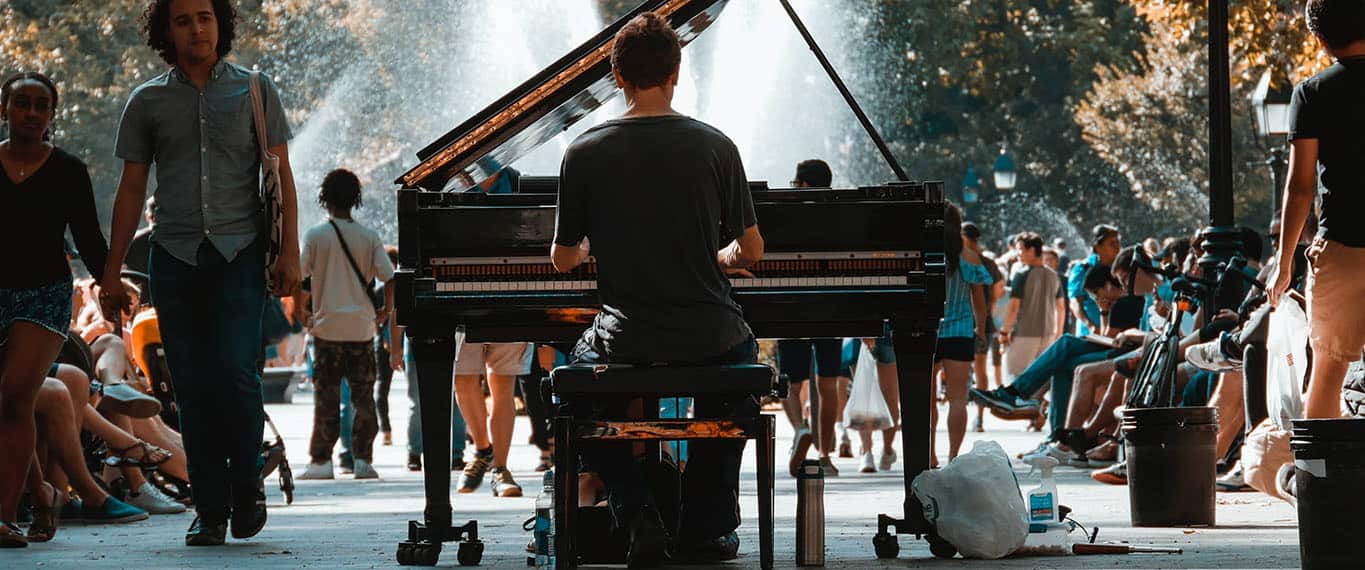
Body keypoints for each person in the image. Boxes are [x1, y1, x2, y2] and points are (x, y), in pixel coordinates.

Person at [550, 12, 765, 567]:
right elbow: (753, 251)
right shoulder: (716, 146)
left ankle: (637, 510)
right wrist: (721, 256)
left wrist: (596, 250)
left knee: (574, 389)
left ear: (617, 77)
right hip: (711, 332)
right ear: (676, 72)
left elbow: (562, 258)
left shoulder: (584, 150)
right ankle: (705, 526)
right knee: (737, 381)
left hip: (627, 337)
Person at [100, 0, 302, 546]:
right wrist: (112, 272)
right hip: (175, 257)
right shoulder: (147, 101)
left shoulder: (256, 90)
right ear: (168, 31)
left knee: (237, 376)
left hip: (240, 255)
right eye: (184, 19)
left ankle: (247, 489)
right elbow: (132, 190)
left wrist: (291, 256)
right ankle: (210, 508)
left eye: (206, 17)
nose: (197, 28)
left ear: (222, 24)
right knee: (190, 387)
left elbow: (282, 176)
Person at [0, 71, 117, 547]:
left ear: (52, 114)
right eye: (21, 103)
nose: (31, 112)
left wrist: (109, 283)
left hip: (43, 293)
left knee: (13, 395)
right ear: (4, 109)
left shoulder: (68, 169)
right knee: (9, 404)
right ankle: (43, 492)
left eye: (40, 105)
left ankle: (5, 516)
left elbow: (89, 236)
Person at [1269, 0, 1365, 419]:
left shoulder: (1311, 93)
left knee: (1327, 370)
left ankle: (1322, 479)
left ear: (1319, 38)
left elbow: (1301, 186)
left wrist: (1283, 261)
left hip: (1342, 247)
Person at [296, 169, 394, 481]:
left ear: (324, 198)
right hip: (362, 329)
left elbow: (300, 278)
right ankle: (363, 460)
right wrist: (386, 311)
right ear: (356, 199)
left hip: (326, 329)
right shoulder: (368, 236)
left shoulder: (315, 236)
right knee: (363, 396)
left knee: (326, 394)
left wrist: (302, 314)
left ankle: (321, 461)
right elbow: (390, 277)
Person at [777, 159, 845, 476]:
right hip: (831, 304)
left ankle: (800, 428)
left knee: (791, 381)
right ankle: (826, 454)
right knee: (828, 382)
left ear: (803, 184)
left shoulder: (787, 213)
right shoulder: (839, 213)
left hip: (790, 302)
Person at [929, 204, 991, 464]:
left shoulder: (926, 255)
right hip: (960, 331)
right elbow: (979, 300)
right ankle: (954, 455)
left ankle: (929, 453)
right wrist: (982, 328)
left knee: (926, 399)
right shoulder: (969, 257)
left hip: (928, 331)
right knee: (957, 399)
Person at [998, 232, 1066, 381]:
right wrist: (1058, 333)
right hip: (1047, 335)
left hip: (1024, 335)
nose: (1017, 254)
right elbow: (1061, 307)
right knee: (1039, 381)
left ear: (1031, 250)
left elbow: (1014, 307)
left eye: (1020, 249)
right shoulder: (1054, 276)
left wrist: (1004, 332)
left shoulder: (1021, 274)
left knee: (1015, 379)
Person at [1068, 225, 1121, 337]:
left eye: (1117, 242)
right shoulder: (1082, 269)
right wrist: (1090, 326)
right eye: (1111, 243)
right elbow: (1075, 303)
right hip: (1091, 333)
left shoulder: (1122, 268)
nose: (1117, 247)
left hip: (1117, 333)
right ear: (1098, 247)